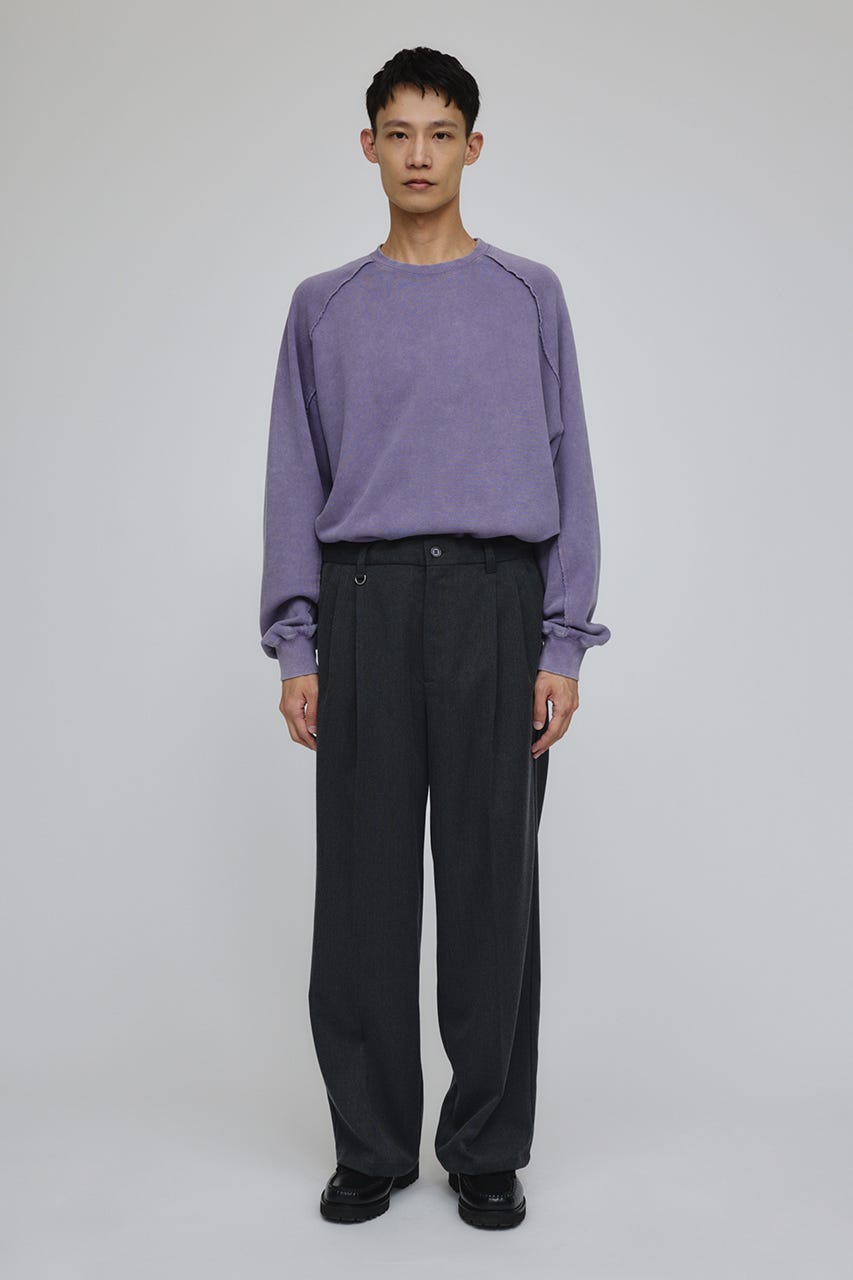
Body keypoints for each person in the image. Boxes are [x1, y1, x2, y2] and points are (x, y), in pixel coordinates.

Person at [259, 46, 611, 1229]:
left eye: (441, 132)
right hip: (363, 599)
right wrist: (297, 645)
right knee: (361, 887)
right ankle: (369, 1141)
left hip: (496, 603)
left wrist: (560, 644)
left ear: (473, 146)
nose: (420, 154)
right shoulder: (324, 305)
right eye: (399, 133)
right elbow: (293, 476)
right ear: (368, 146)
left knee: (489, 885)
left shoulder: (528, 294)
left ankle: (485, 1145)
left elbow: (570, 464)